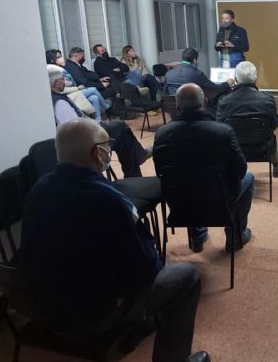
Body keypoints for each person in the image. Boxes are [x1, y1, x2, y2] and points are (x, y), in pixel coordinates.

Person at [18, 118, 210, 362]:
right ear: (98, 153)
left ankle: (141, 324)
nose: (109, 150)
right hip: (92, 314)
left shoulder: (39, 188)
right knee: (186, 276)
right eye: (107, 145)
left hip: (40, 306)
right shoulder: (109, 199)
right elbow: (147, 270)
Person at [154, 83, 254, 254]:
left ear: (177, 107)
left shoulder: (162, 134)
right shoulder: (223, 132)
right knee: (249, 177)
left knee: (186, 180)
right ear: (205, 102)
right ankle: (235, 237)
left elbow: (160, 174)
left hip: (180, 202)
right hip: (219, 200)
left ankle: (197, 236)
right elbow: (241, 170)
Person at [48, 65, 151, 178]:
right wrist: (95, 125)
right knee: (121, 128)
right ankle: (136, 166)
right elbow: (76, 129)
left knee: (122, 136)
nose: (64, 82)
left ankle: (136, 164)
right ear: (57, 83)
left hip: (86, 133)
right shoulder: (60, 103)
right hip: (87, 140)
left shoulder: (54, 98)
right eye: (63, 79)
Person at [216, 61, 278, 178]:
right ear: (255, 79)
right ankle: (276, 165)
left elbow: (220, 127)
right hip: (262, 147)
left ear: (236, 79)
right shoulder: (267, 100)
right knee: (269, 134)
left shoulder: (224, 101)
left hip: (234, 147)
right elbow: (274, 124)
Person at [46, 49, 111, 122]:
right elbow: (62, 89)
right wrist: (77, 88)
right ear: (52, 60)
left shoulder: (62, 68)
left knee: (94, 98)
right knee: (93, 89)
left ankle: (98, 121)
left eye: (61, 56)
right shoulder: (53, 71)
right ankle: (108, 108)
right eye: (58, 57)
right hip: (68, 94)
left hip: (74, 92)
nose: (61, 58)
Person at [165, 48, 234, 98]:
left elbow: (166, 91)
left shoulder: (168, 74)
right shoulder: (197, 74)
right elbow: (216, 88)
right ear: (195, 60)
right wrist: (227, 83)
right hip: (191, 107)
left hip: (173, 108)